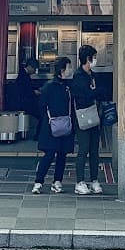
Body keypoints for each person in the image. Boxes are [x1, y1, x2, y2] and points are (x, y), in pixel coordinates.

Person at [31, 58, 74, 194]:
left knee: (62, 154)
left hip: (60, 124)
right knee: (50, 155)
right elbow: (42, 106)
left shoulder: (64, 86)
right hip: (52, 125)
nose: (70, 70)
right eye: (68, 67)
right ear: (62, 70)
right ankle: (39, 182)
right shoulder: (52, 86)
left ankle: (56, 181)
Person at [70, 44, 105, 195]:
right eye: (94, 57)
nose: (95, 60)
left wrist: (94, 92)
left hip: (95, 115)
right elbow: (85, 95)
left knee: (94, 150)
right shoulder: (78, 76)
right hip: (83, 116)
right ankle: (80, 181)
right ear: (87, 58)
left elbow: (99, 92)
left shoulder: (92, 75)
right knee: (83, 148)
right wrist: (95, 92)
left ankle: (94, 180)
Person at [12, 57, 41, 138]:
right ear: (30, 67)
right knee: (41, 114)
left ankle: (38, 135)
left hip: (23, 101)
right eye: (34, 69)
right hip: (24, 102)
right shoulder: (24, 76)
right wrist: (35, 92)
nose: (35, 71)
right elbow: (25, 90)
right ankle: (38, 135)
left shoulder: (23, 74)